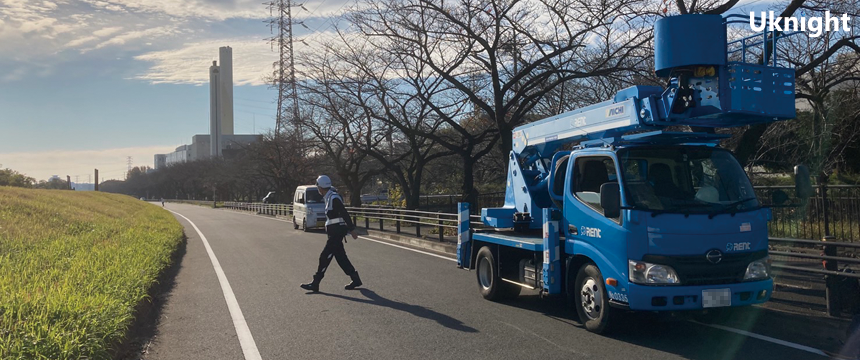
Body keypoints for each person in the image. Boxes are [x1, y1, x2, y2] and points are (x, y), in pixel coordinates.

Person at [300, 175, 362, 292]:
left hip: (337, 232)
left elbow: (344, 213)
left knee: (325, 256)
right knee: (341, 257)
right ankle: (355, 279)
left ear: (320, 187)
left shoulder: (333, 197)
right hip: (334, 232)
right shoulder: (329, 197)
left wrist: (352, 229)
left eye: (318, 187)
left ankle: (316, 282)